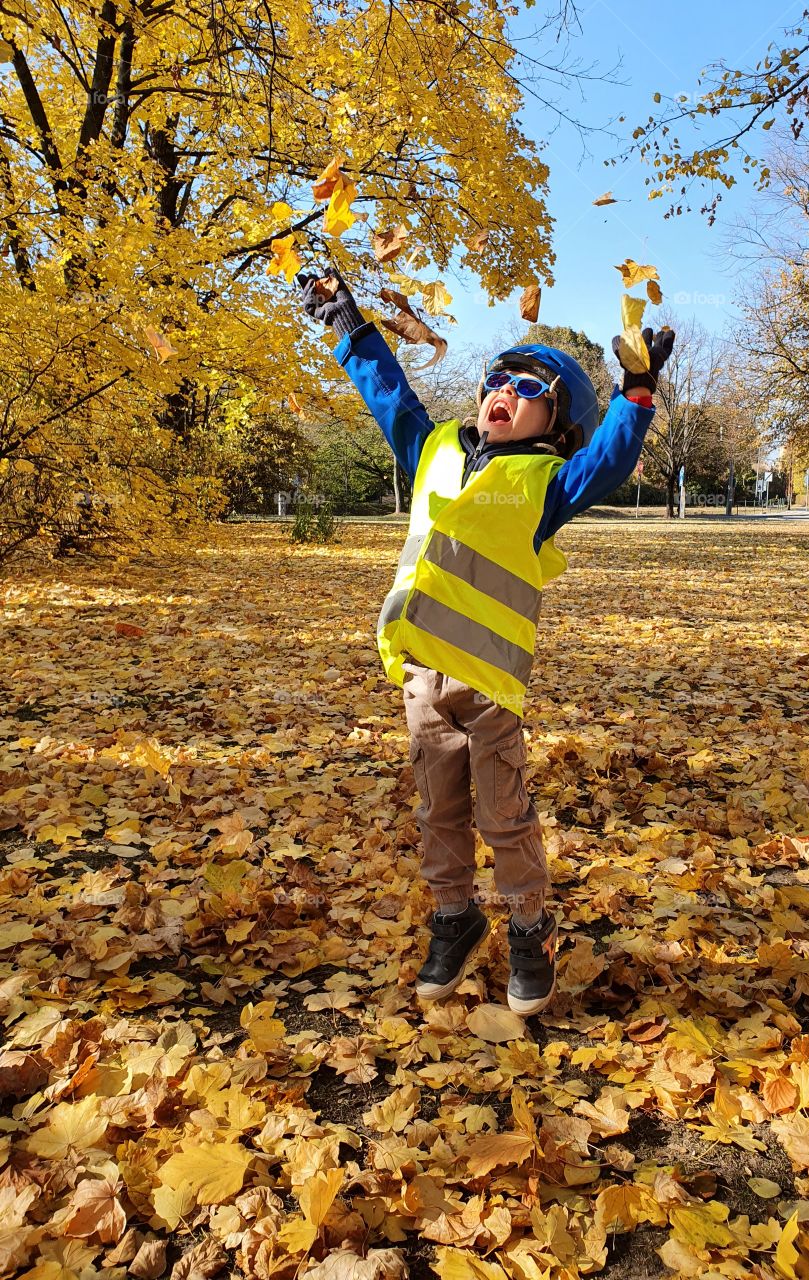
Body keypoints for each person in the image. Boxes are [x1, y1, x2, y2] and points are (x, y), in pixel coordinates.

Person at [299, 268, 674, 1015]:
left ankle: (531, 929)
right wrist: (350, 326)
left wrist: (635, 392)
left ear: (558, 423)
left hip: (490, 689)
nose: (505, 391)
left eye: (531, 389)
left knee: (503, 816)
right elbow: (390, 400)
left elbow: (611, 461)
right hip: (423, 680)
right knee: (438, 812)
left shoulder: (550, 482)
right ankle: (454, 916)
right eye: (499, 379)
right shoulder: (436, 449)